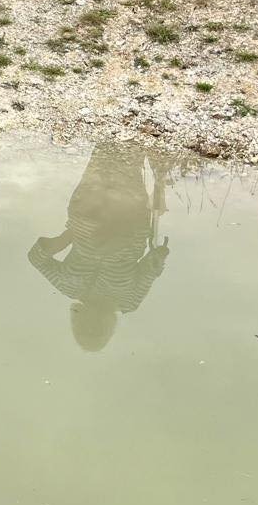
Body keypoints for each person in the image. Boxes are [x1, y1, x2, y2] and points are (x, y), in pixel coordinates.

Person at [28, 142, 171, 352]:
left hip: (95, 215)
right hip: (123, 219)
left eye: (89, 328)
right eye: (97, 329)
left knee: (107, 155)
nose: (94, 325)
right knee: (122, 158)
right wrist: (75, 235)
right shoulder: (127, 302)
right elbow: (151, 267)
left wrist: (71, 235)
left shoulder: (69, 287)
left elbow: (36, 258)